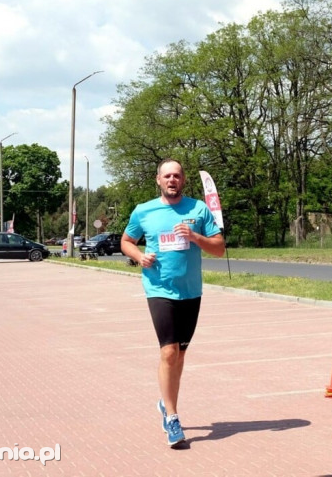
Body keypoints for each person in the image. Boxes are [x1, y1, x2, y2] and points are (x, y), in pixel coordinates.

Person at [121, 159, 226, 447]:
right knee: (168, 352)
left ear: (183, 180)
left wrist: (194, 236)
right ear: (158, 180)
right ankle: (172, 417)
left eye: (177, 176)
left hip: (191, 291)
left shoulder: (198, 209)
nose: (172, 180)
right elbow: (126, 241)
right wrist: (140, 257)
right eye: (167, 176)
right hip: (158, 288)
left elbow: (219, 248)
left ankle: (166, 402)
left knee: (179, 354)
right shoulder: (144, 210)